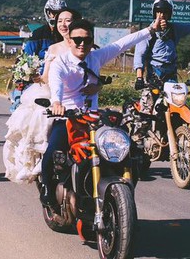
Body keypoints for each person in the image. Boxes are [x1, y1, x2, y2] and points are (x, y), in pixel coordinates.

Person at [41, 18, 158, 206]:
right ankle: (47, 190)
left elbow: (122, 44)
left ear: (92, 40)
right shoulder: (60, 63)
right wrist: (56, 102)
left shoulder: (96, 57)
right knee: (52, 151)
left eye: (86, 40)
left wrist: (150, 30)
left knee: (131, 152)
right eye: (77, 40)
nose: (82, 44)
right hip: (68, 117)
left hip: (94, 119)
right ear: (69, 40)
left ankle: (122, 198)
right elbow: (56, 86)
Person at [3, 8, 82, 183]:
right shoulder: (54, 48)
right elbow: (46, 76)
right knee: (40, 116)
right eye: (60, 21)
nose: (63, 24)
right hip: (52, 93)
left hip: (78, 98)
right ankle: (40, 161)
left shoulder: (83, 46)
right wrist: (35, 76)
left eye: (67, 21)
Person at [133, 0, 190, 88]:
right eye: (158, 12)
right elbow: (139, 56)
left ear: (169, 14)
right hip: (154, 73)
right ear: (154, 13)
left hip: (171, 73)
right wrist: (139, 78)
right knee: (152, 100)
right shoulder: (148, 33)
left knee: (176, 100)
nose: (161, 15)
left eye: (165, 12)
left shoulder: (175, 29)